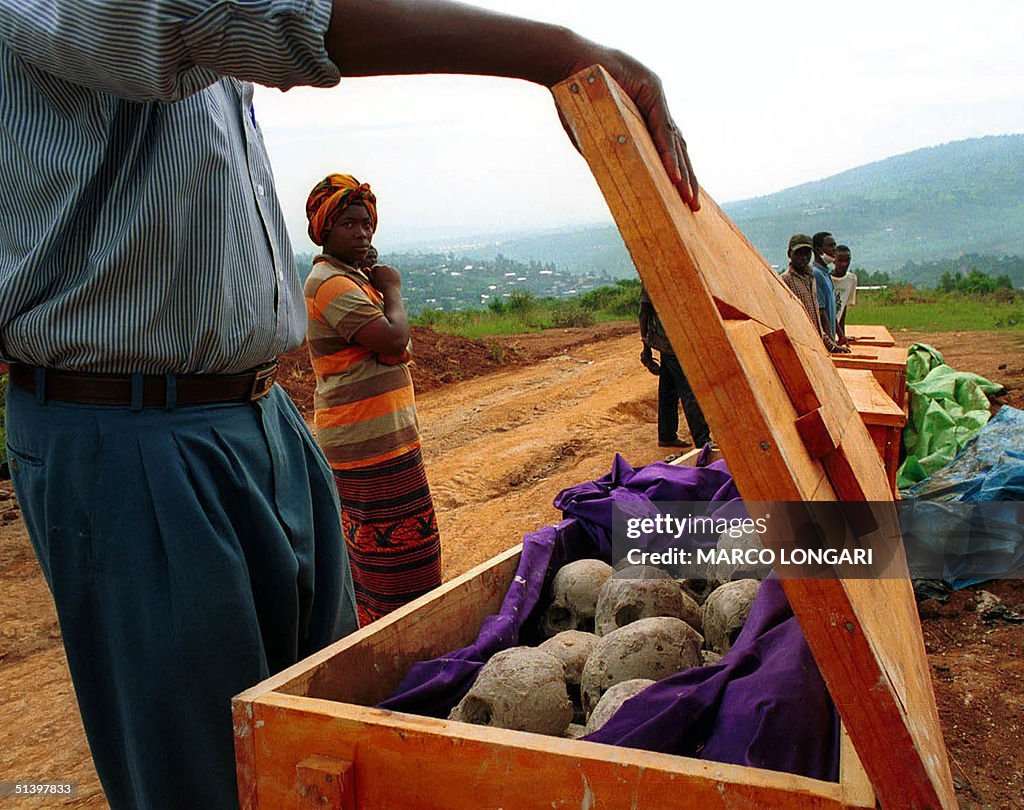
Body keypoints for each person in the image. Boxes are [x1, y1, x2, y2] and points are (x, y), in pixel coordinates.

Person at [0, 2, 699, 807]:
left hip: (257, 411)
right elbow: (239, 16)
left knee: (321, 723)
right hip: (132, 429)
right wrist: (559, 50)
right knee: (206, 771)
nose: (364, 230)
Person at [304, 174, 441, 626]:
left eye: (366, 224)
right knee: (392, 565)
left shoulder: (353, 279)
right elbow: (393, 338)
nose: (362, 233)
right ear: (325, 230)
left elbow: (396, 345)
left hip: (387, 440)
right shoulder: (330, 282)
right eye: (349, 224)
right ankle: (397, 649)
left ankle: (401, 642)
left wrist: (390, 323)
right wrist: (394, 288)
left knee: (405, 557)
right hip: (367, 445)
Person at [639, 285, 711, 448]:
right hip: (675, 343)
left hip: (670, 342)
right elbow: (644, 313)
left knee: (668, 389)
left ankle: (667, 435)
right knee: (689, 390)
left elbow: (644, 313)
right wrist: (646, 348)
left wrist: (646, 347)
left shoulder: (654, 275)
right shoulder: (655, 277)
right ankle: (702, 440)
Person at [780, 235, 850, 354]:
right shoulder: (785, 280)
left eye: (807, 253)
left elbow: (815, 322)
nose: (804, 257)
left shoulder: (811, 277)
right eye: (799, 253)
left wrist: (832, 346)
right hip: (801, 345)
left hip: (815, 344)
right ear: (789, 254)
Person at [812, 231, 839, 342]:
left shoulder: (826, 273)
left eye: (835, 245)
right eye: (830, 246)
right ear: (819, 250)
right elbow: (821, 310)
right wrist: (830, 340)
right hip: (825, 340)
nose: (834, 249)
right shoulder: (816, 274)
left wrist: (840, 335)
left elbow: (831, 309)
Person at [832, 245, 858, 345]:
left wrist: (842, 335)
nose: (844, 264)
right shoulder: (826, 279)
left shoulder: (851, 279)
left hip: (835, 331)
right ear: (834, 260)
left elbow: (843, 309)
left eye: (847, 261)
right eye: (840, 261)